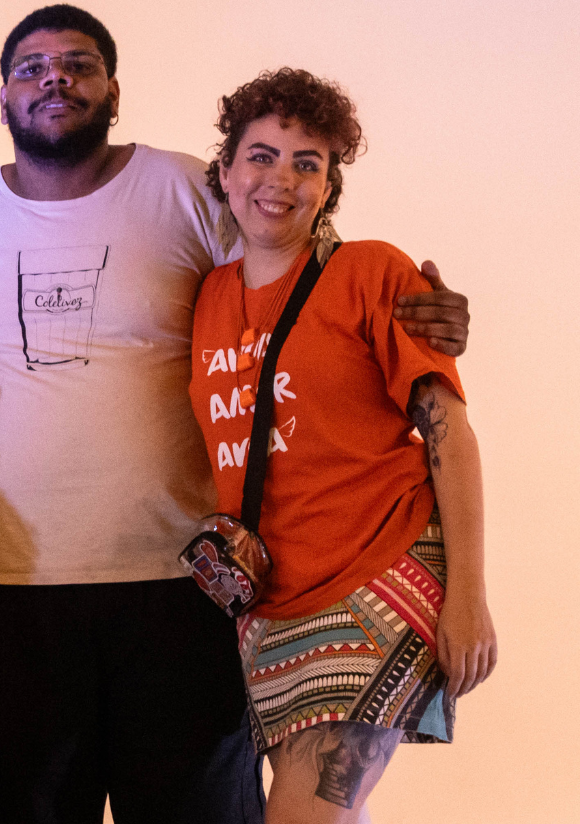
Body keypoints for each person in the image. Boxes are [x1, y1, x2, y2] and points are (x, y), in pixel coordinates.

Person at [0, 6, 474, 822]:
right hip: (13, 589)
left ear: (113, 91)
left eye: (79, 63)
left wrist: (420, 311)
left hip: (185, 587)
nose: (55, 77)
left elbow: (296, 274)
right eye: (32, 67)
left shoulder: (180, 189)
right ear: (2, 99)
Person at [188, 67, 494, 824]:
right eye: (261, 156)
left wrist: (469, 597)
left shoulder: (371, 272)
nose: (280, 179)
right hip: (270, 601)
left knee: (303, 813)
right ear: (225, 171)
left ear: (328, 188)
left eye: (307, 163)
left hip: (376, 569)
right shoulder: (209, 295)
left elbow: (450, 433)